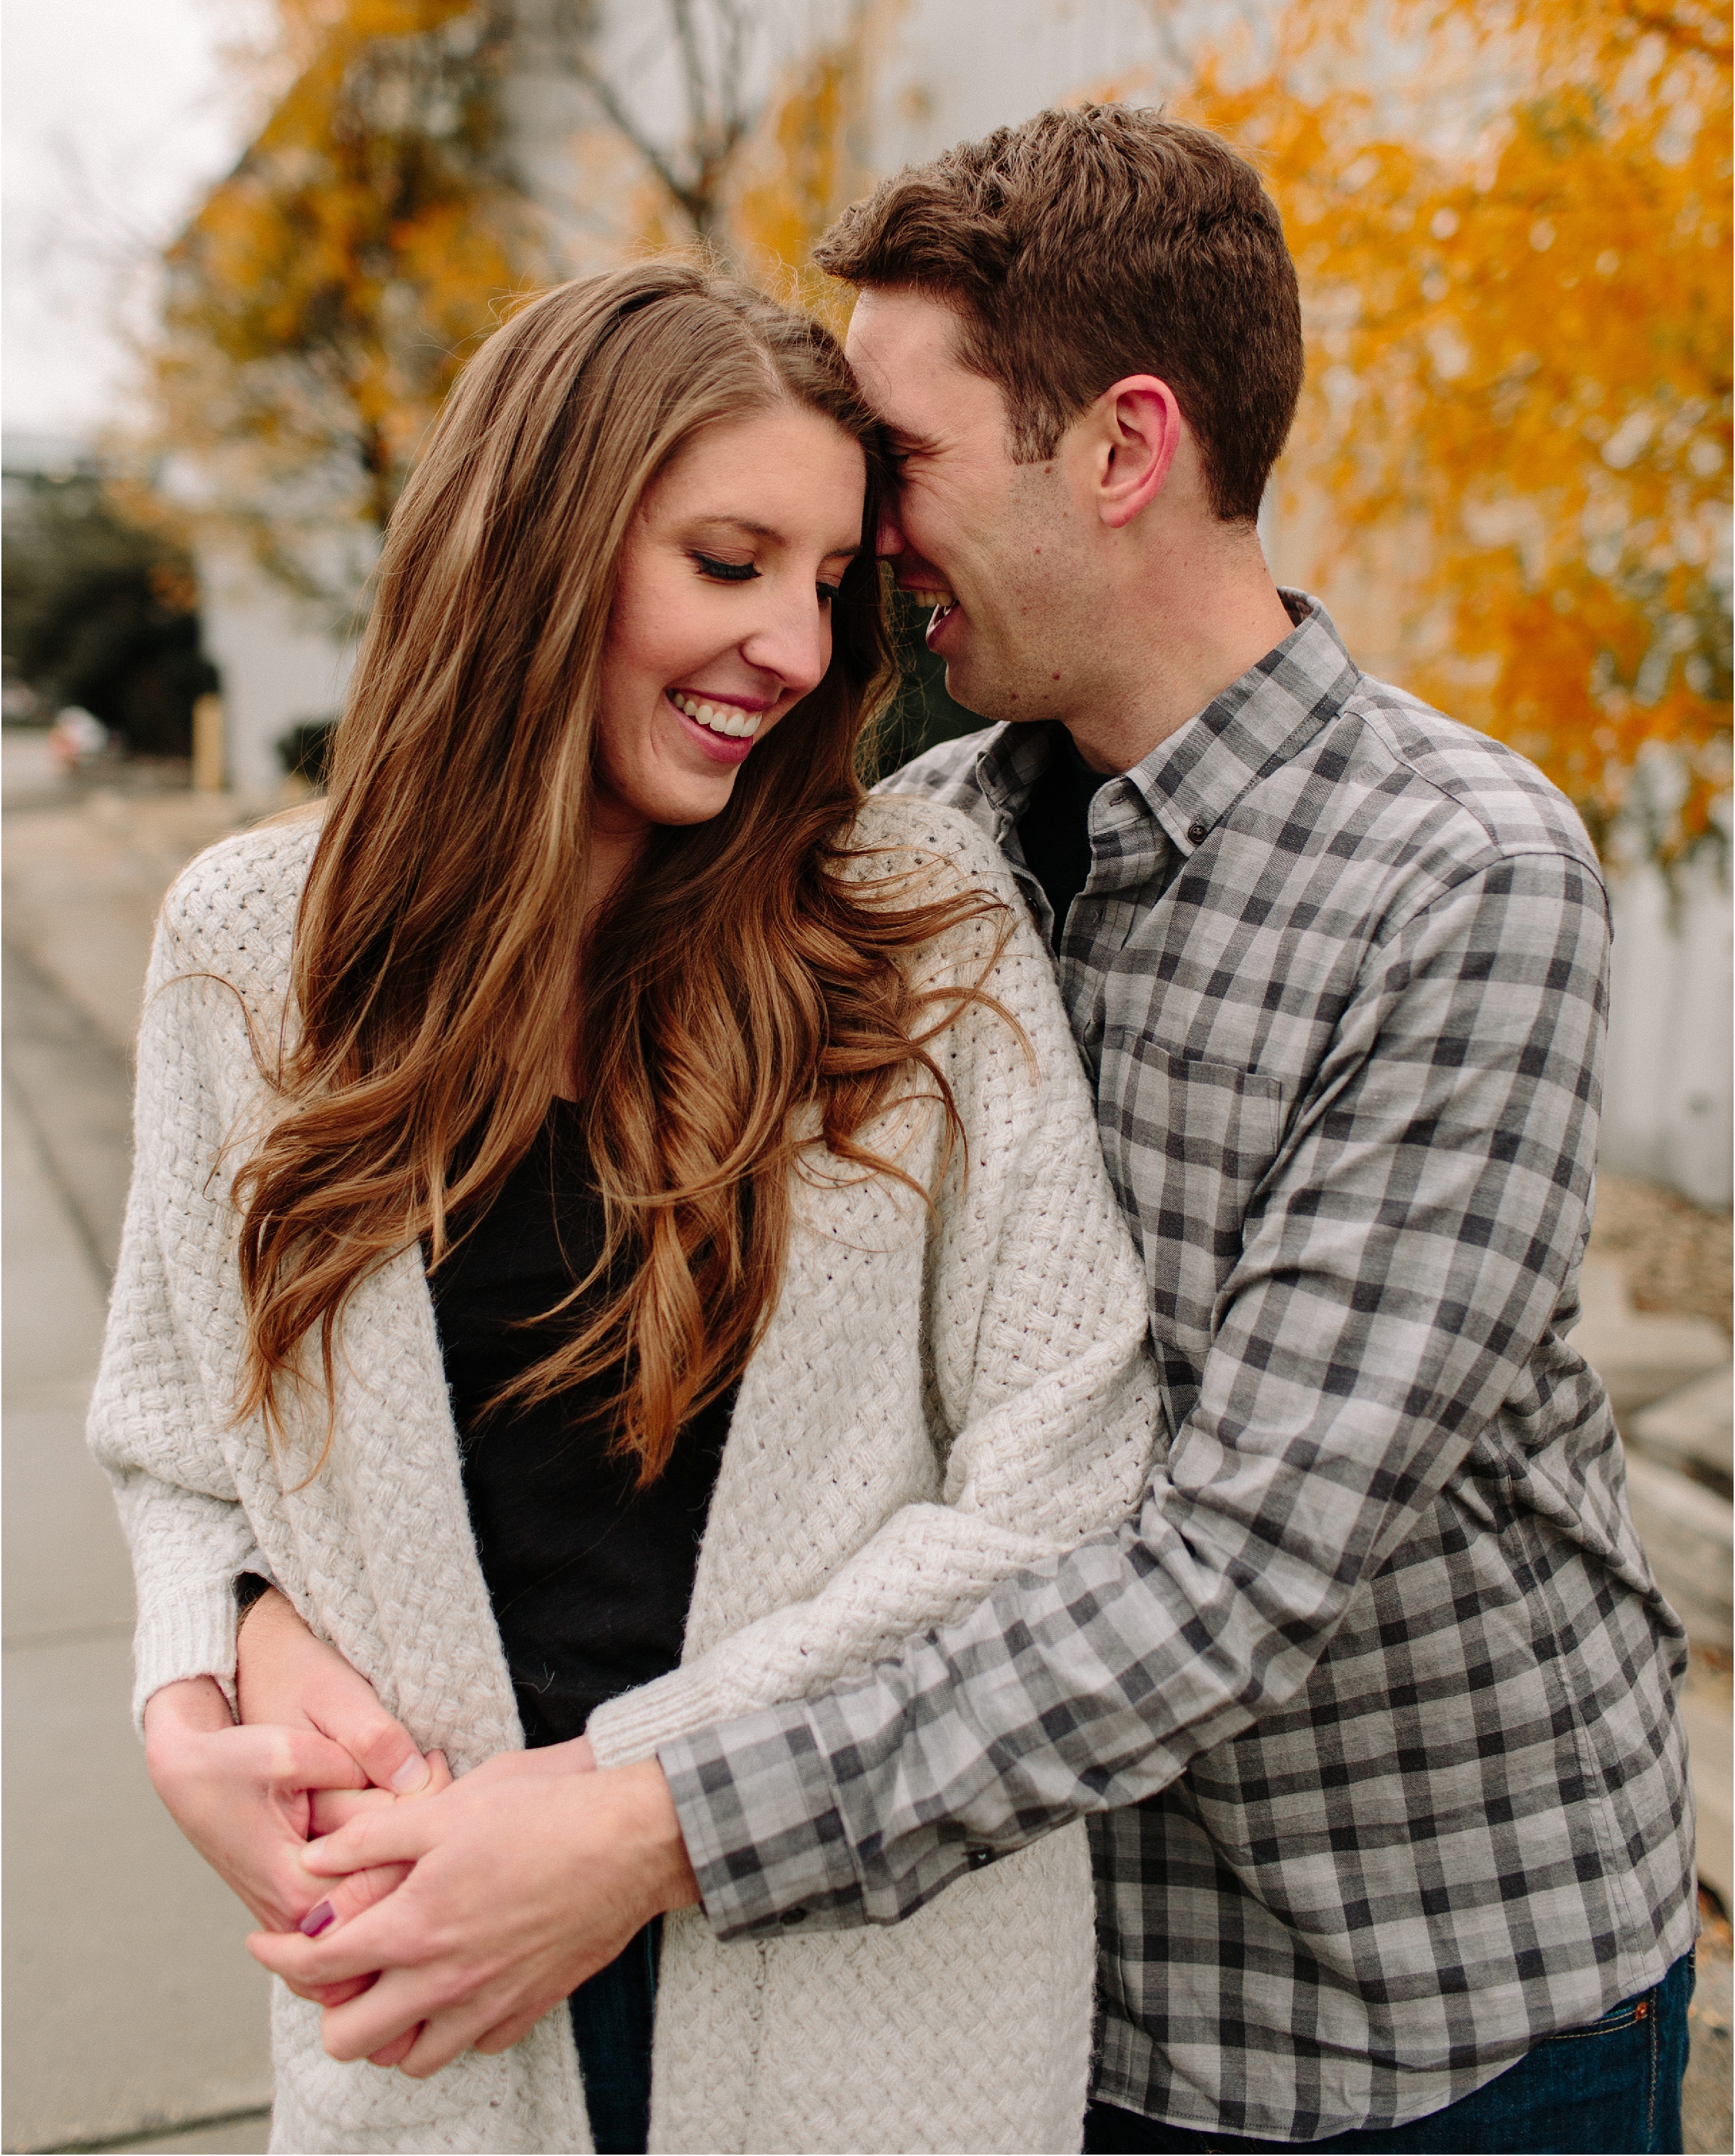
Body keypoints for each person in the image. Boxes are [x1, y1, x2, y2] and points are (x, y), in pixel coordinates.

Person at [251, 109, 1697, 2155]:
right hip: (1016, 1985)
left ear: (1118, 450)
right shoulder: (922, 851)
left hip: (1418, 2012)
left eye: (897, 472)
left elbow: (1230, 1580)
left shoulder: (1457, 882)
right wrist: (247, 1609)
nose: (862, 548)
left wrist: (641, 1824)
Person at [87, 262, 1163, 2156]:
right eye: (729, 558)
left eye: (830, 583)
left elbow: (1061, 1492)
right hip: (423, 2029)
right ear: (535, 543)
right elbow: (177, 1446)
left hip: (872, 2026)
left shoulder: (920, 931)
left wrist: (611, 1815)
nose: (797, 647)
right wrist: (201, 1680)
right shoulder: (248, 956)